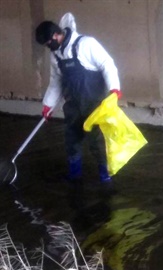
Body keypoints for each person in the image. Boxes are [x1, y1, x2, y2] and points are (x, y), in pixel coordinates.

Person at [35, 13, 121, 182]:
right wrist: (48, 105)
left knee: (97, 141)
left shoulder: (86, 44)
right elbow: (56, 81)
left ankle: (106, 176)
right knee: (71, 139)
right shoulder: (56, 55)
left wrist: (114, 89)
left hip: (95, 105)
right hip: (73, 105)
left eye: (48, 43)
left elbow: (107, 64)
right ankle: (74, 175)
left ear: (55, 35)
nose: (48, 47)